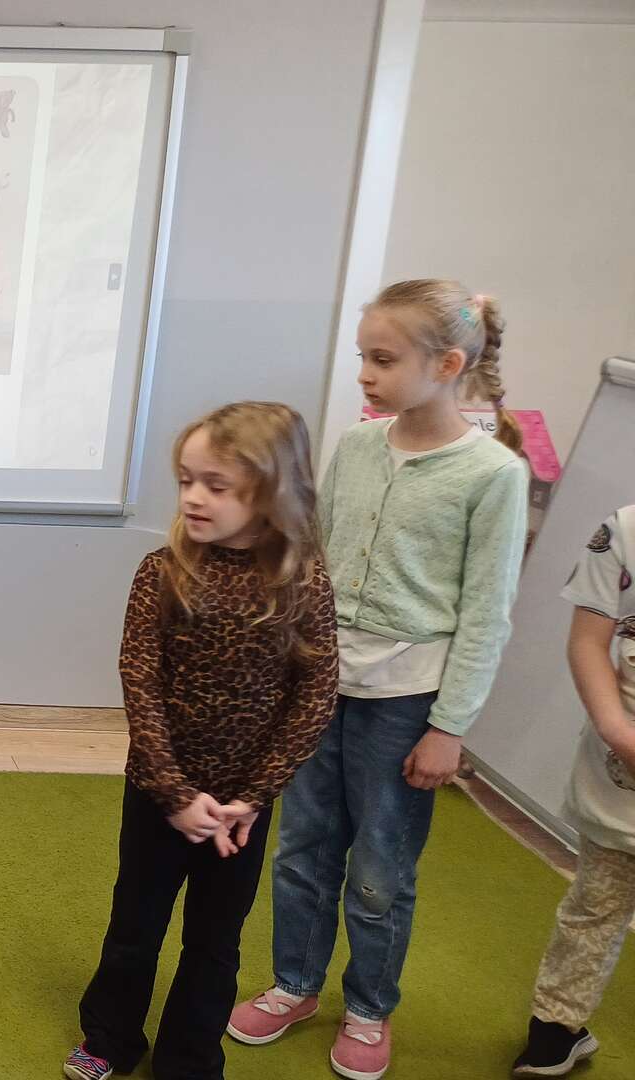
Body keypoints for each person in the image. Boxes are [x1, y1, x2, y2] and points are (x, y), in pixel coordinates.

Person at [230, 280, 529, 1080]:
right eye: (363, 356)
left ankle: (368, 1007)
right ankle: (295, 983)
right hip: (323, 688)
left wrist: (450, 726)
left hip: (407, 704)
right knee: (302, 847)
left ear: (448, 365)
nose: (365, 374)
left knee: (380, 867)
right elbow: (314, 564)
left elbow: (487, 613)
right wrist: (288, 671)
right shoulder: (357, 447)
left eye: (384, 359)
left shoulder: (492, 475)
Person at [64, 403, 338, 1080]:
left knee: (215, 942)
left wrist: (254, 796)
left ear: (271, 491)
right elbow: (140, 678)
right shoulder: (163, 571)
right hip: (160, 794)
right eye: (186, 480)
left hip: (242, 809)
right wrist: (175, 793)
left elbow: (315, 693)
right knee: (135, 925)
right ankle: (110, 1037)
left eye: (216, 485)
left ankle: (188, 1059)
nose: (192, 496)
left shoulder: (303, 582)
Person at [510, 504, 635, 1077]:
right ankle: (555, 1029)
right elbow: (588, 641)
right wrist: (619, 735)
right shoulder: (625, 530)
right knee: (596, 905)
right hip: (624, 768)